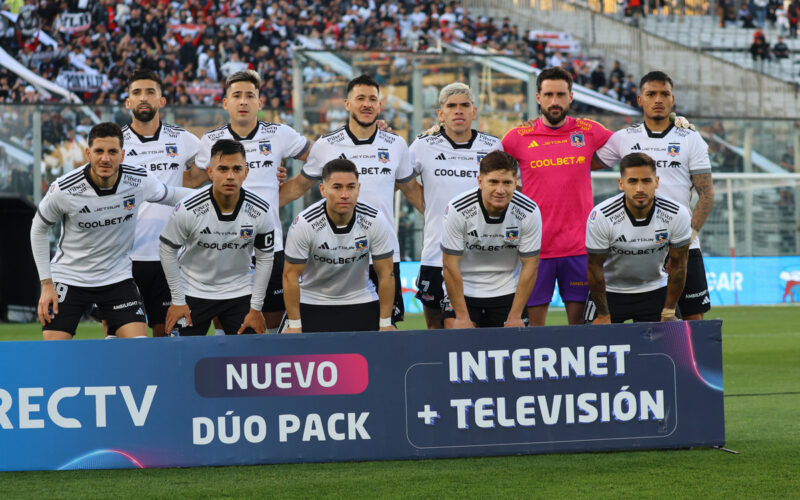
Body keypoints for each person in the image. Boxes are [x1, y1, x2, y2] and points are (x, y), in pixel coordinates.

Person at [280, 74, 423, 327]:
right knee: (330, 327)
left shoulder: (396, 144)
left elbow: (412, 191)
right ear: (347, 104)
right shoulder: (326, 145)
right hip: (334, 254)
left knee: (383, 331)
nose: (367, 104)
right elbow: (297, 188)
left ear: (380, 105)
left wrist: (443, 222)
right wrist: (260, 201)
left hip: (383, 254)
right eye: (360, 98)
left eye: (372, 99)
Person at [30, 122, 193, 340]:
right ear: (88, 153)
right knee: (55, 351)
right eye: (99, 151)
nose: (105, 158)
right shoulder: (64, 188)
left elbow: (172, 194)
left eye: (112, 152)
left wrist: (214, 194)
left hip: (116, 277)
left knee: (139, 348)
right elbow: (38, 229)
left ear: (122, 155)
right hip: (69, 277)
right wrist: (47, 284)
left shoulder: (138, 180)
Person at [195, 70, 310, 332]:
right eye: (237, 96)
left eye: (250, 96)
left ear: (260, 102)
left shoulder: (279, 134)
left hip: (268, 245)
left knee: (270, 325)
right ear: (226, 103)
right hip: (223, 244)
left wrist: (293, 187)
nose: (243, 101)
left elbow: (319, 155)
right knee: (226, 323)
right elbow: (191, 180)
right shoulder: (210, 141)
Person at [594, 71, 714, 320]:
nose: (658, 99)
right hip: (638, 247)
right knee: (650, 322)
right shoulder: (624, 138)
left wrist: (685, 242)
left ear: (673, 99)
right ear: (640, 100)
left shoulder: (690, 138)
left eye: (664, 94)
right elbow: (580, 161)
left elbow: (707, 195)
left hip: (683, 243)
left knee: (694, 321)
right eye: (651, 94)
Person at [501, 66, 613, 326]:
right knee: (534, 333)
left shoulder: (589, 131)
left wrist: (673, 124)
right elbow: (491, 171)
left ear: (571, 97)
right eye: (549, 94)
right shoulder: (517, 137)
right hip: (534, 248)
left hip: (579, 247)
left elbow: (630, 145)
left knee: (579, 331)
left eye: (561, 95)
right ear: (538, 97)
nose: (555, 101)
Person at [408, 82, 503, 329]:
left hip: (480, 256)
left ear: (474, 111)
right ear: (441, 113)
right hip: (435, 254)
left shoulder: (492, 146)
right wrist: (428, 207)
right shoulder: (423, 145)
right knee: (436, 329)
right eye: (451, 106)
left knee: (477, 330)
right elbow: (399, 180)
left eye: (464, 105)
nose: (458, 111)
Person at [159, 139, 274, 336]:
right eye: (222, 169)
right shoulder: (189, 208)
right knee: (179, 357)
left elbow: (265, 258)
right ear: (210, 172)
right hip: (193, 290)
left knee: (249, 360)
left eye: (237, 169)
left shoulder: (261, 210)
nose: (230, 176)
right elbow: (167, 249)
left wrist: (255, 308)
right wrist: (178, 301)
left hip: (239, 291)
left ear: (245, 173)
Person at [123, 69, 203, 337]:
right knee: (122, 338)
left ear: (162, 100)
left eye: (150, 92)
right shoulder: (116, 143)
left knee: (167, 337)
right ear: (128, 102)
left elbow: (212, 170)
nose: (143, 98)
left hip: (170, 255)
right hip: (124, 256)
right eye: (136, 92)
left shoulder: (182, 139)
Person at [282, 159, 396, 333]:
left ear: (358, 189)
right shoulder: (305, 223)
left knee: (383, 354)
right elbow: (290, 276)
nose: (345, 194)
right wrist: (295, 325)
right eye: (337, 187)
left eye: (350, 187)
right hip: (312, 300)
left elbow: (386, 273)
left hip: (360, 298)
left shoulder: (375, 220)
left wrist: (386, 322)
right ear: (323, 190)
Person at [584, 153, 691, 324]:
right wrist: (603, 314)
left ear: (656, 182)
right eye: (632, 181)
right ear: (621, 184)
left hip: (655, 289)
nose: (640, 189)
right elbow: (594, 267)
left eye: (646, 181)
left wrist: (669, 310)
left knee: (672, 347)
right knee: (593, 346)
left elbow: (679, 265)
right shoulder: (602, 216)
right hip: (610, 292)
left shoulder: (676, 214)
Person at [440, 151, 542, 329]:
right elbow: (450, 265)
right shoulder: (458, 209)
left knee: (513, 348)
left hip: (507, 288)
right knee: (458, 339)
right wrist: (462, 316)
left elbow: (531, 266)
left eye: (507, 183)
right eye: (493, 182)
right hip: (464, 287)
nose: (500, 190)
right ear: (480, 181)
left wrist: (516, 315)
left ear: (515, 182)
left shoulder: (529, 211)